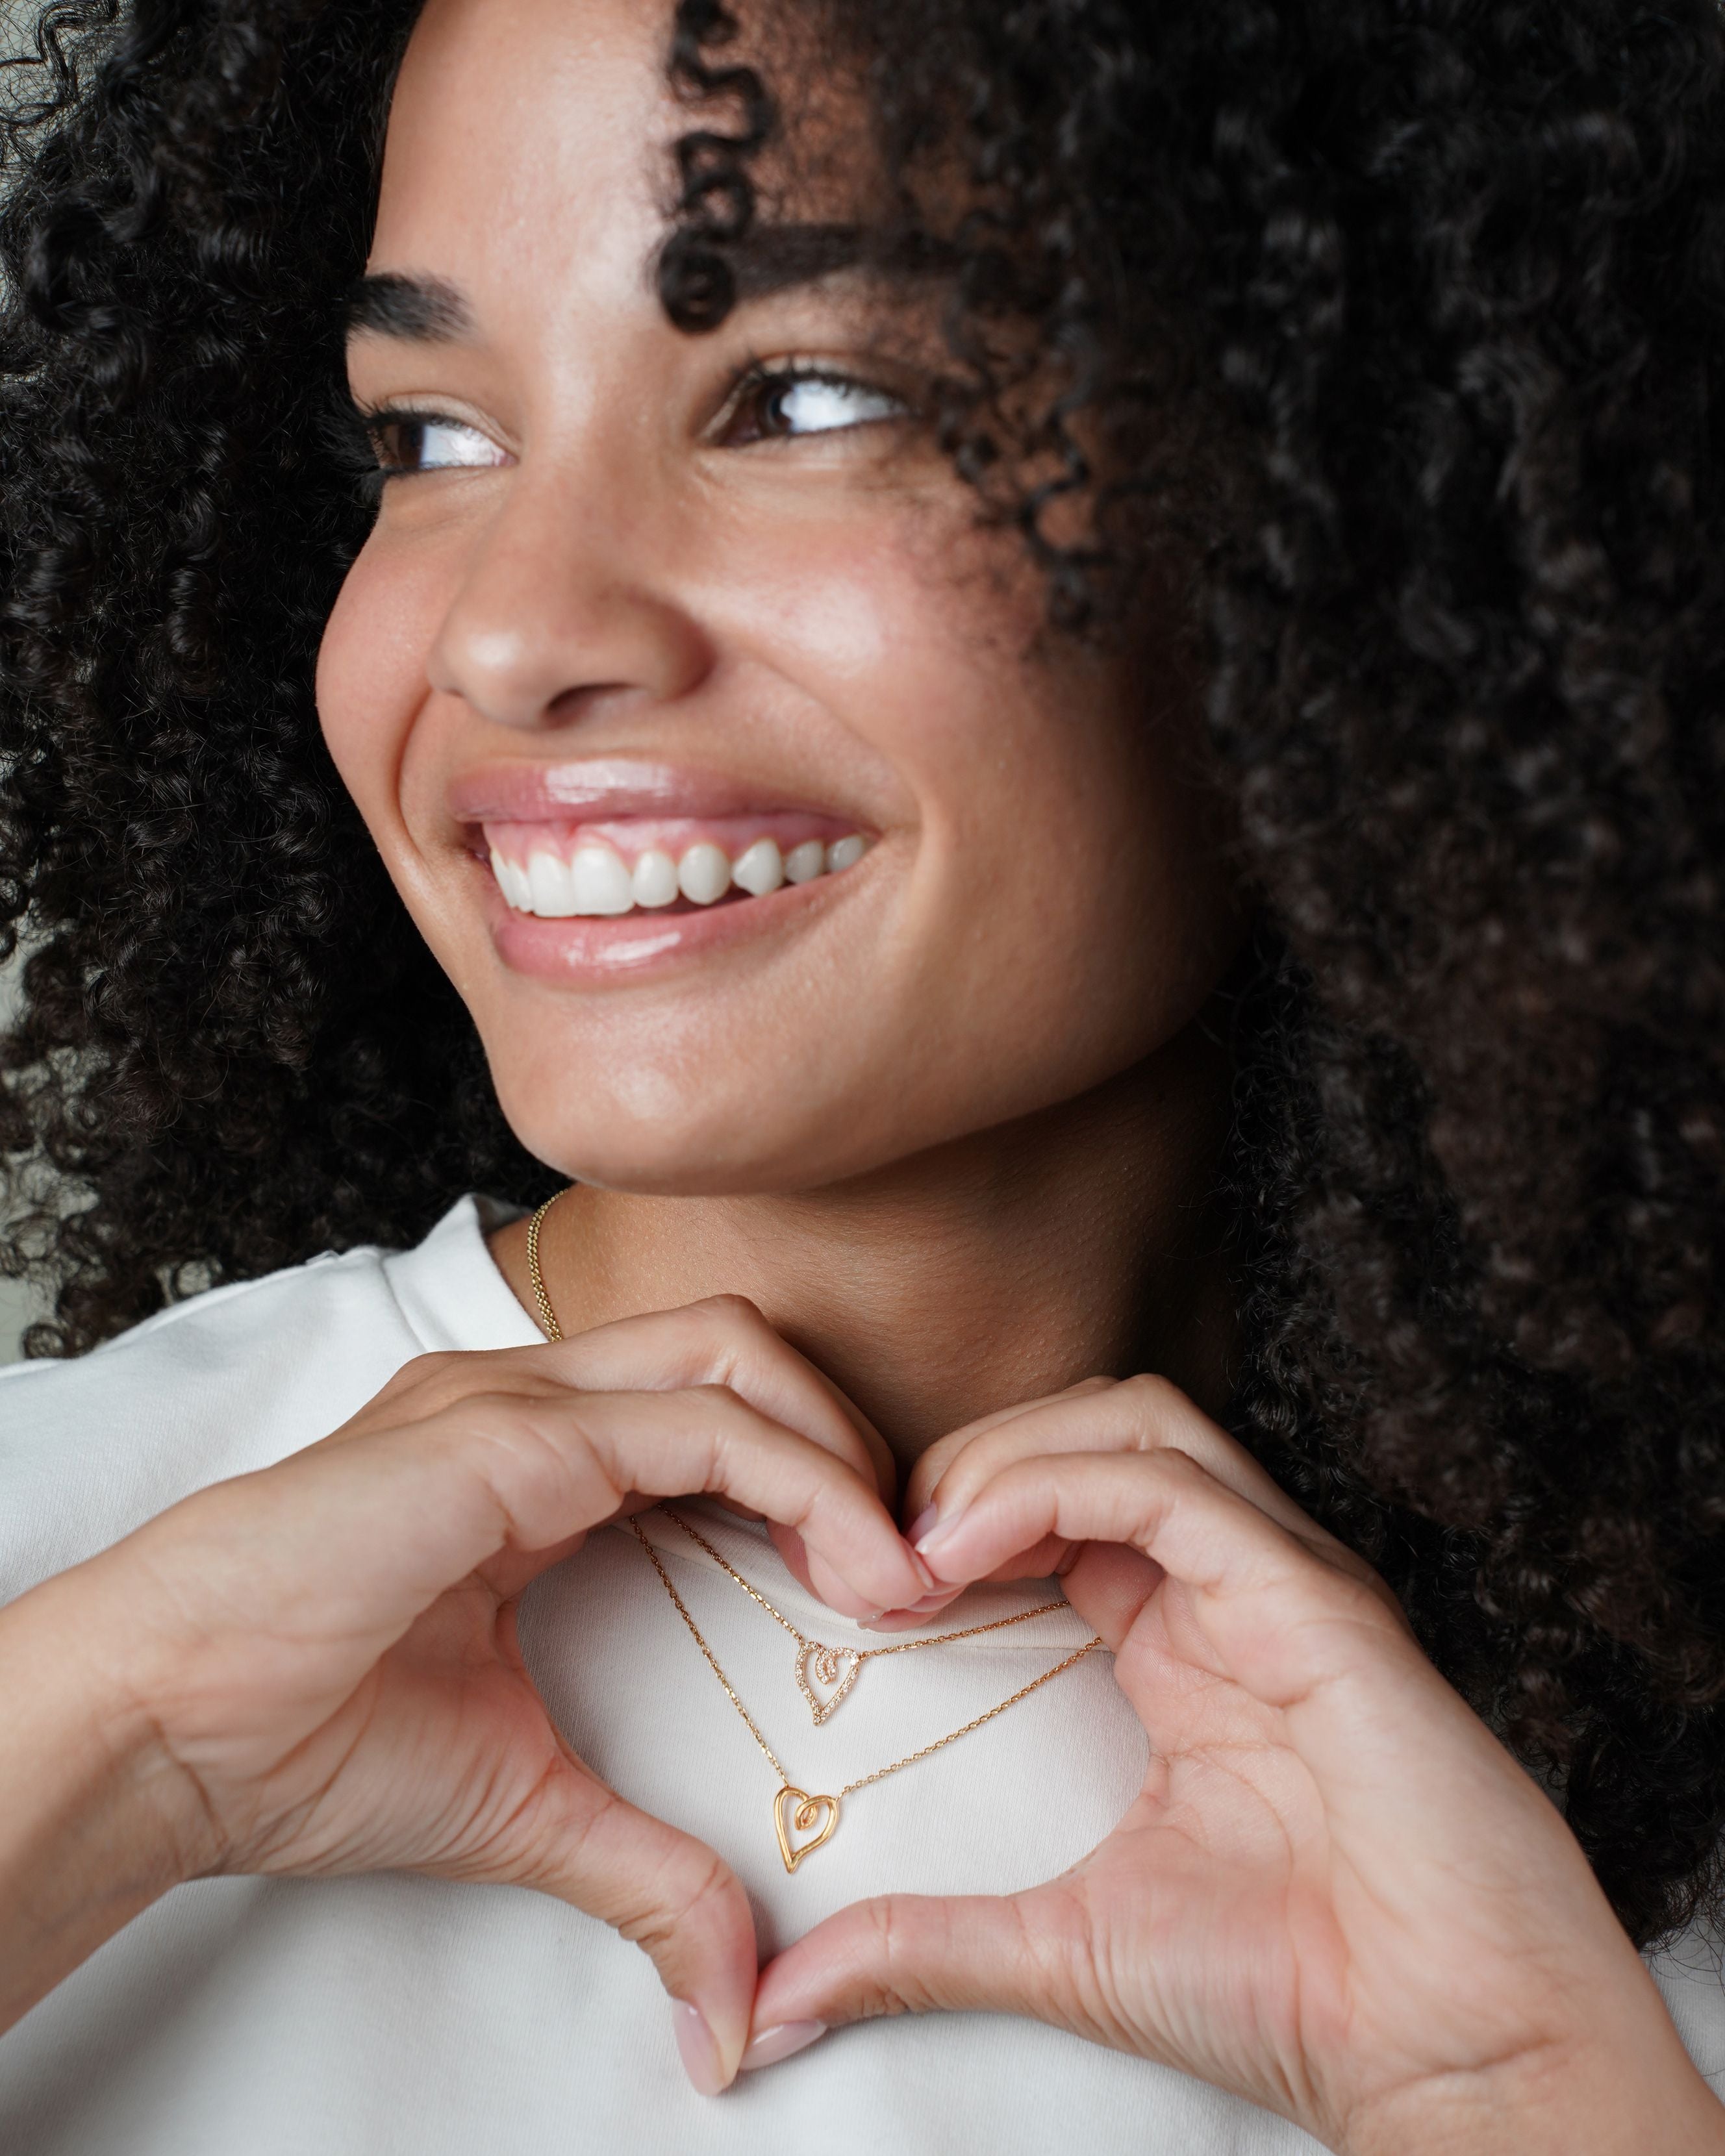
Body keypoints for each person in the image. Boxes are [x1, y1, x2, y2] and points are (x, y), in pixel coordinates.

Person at [0, 0, 1722, 2149]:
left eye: (801, 397)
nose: (514, 637)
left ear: (1360, 509)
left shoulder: (1607, 1900)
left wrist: (1534, 2098)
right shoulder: (49, 1565)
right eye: (429, 436)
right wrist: (105, 1754)